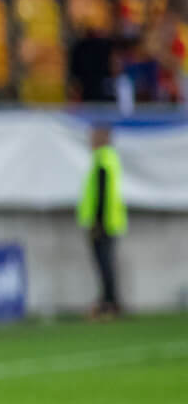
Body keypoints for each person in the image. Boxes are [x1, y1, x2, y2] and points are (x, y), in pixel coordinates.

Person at [77, 125, 126, 319]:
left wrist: (97, 222)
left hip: (104, 222)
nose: (91, 141)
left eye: (94, 137)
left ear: (102, 138)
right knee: (107, 262)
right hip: (111, 221)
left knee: (104, 263)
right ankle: (110, 301)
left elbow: (102, 194)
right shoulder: (109, 158)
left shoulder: (102, 160)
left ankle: (108, 303)